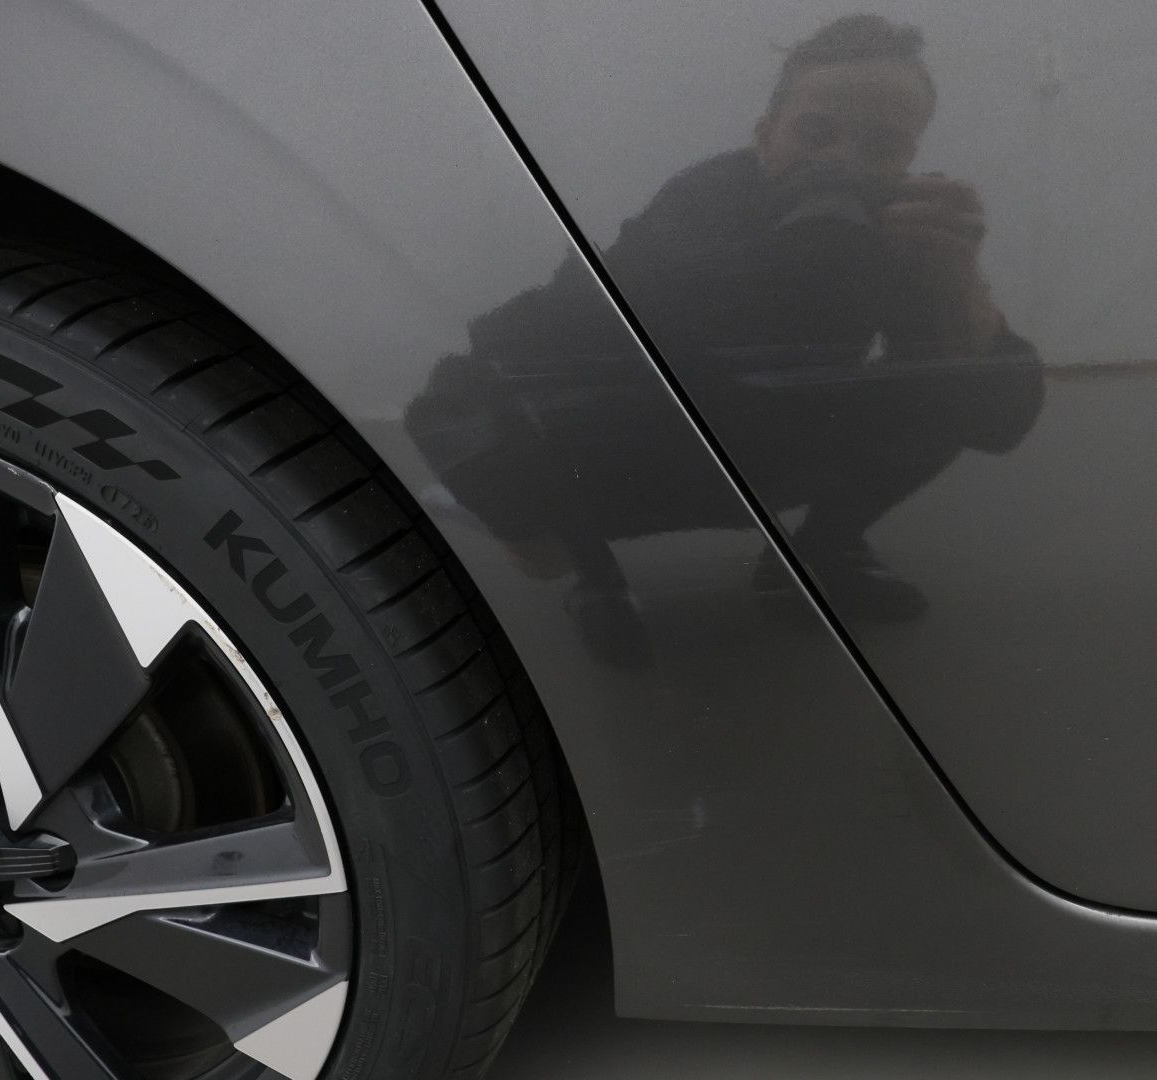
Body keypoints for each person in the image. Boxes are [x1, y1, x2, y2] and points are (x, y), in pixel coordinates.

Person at [411, 15, 1043, 664]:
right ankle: (594, 572)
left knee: (939, 389)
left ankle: (816, 553)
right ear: (766, 137)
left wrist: (962, 281)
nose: (841, 160)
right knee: (512, 436)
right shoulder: (698, 202)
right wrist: (516, 517)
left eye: (881, 144)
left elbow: (995, 416)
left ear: (908, 159)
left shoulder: (906, 230)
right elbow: (515, 347)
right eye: (817, 132)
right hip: (647, 448)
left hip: (775, 439)